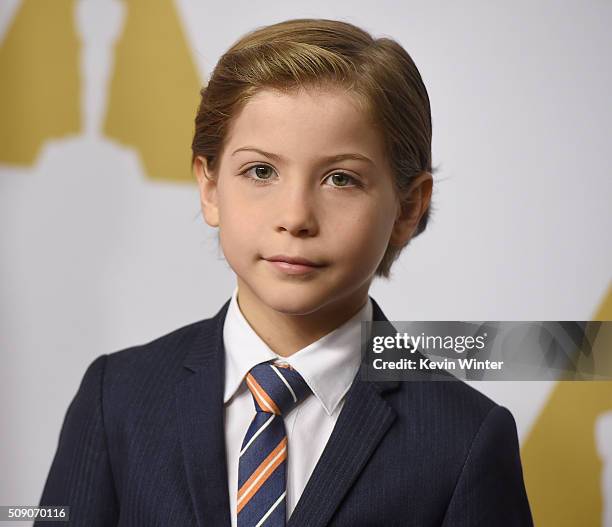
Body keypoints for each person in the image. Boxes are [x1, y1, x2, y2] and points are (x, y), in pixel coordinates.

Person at [37, 18, 533, 527]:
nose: (295, 217)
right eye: (261, 171)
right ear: (209, 187)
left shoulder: (464, 437)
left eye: (341, 179)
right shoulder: (116, 396)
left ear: (408, 207)